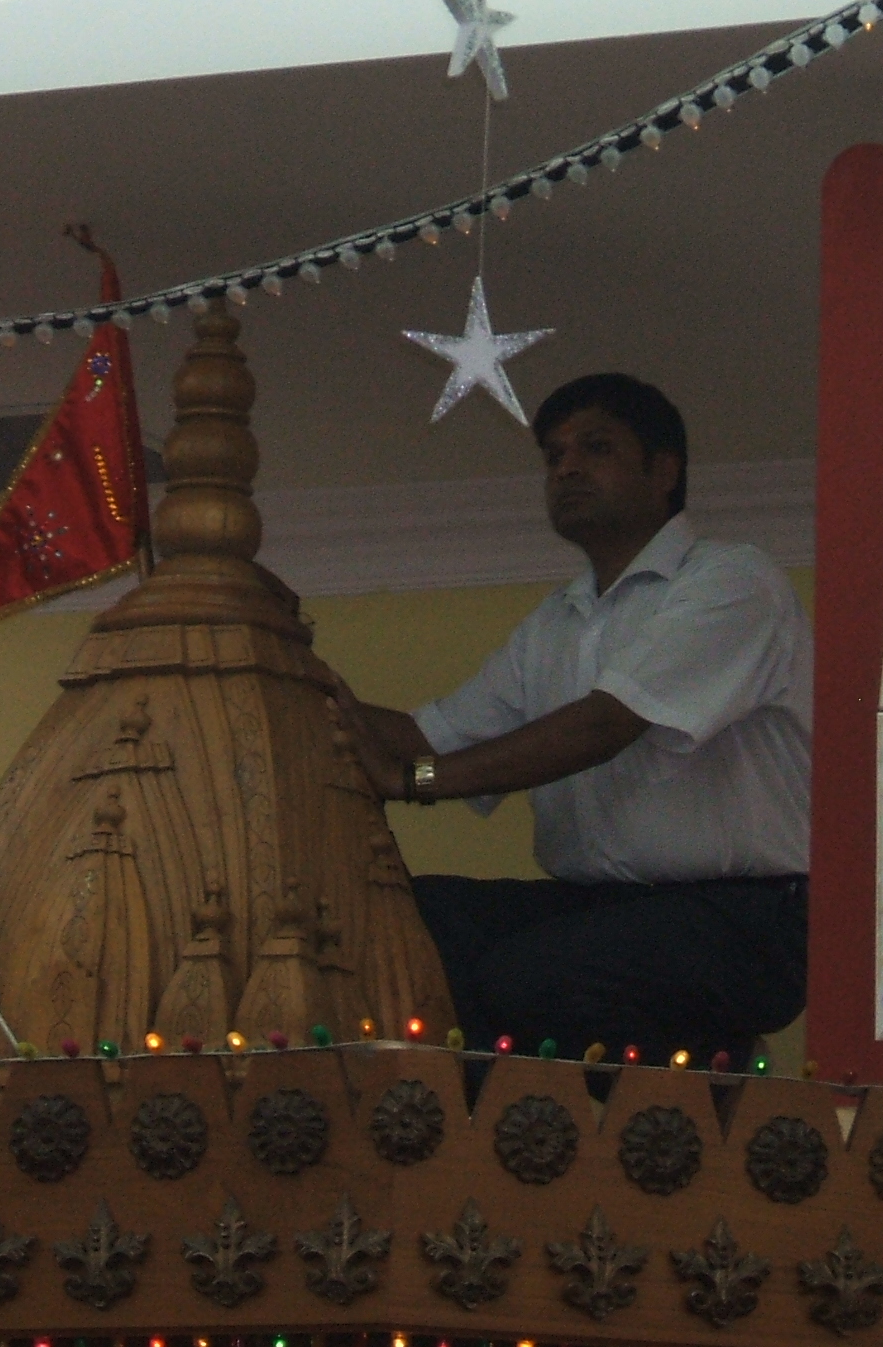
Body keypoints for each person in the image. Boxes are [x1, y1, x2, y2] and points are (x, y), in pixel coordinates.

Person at [337, 373, 810, 1067]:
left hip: (748, 917)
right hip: (601, 910)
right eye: (554, 456)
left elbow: (604, 727)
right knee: (417, 920)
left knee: (530, 979)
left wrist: (416, 781)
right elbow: (425, 735)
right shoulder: (554, 623)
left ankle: (718, 1077)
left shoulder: (733, 580)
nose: (568, 468)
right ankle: (499, 1133)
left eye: (596, 447)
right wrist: (293, 681)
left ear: (664, 470)